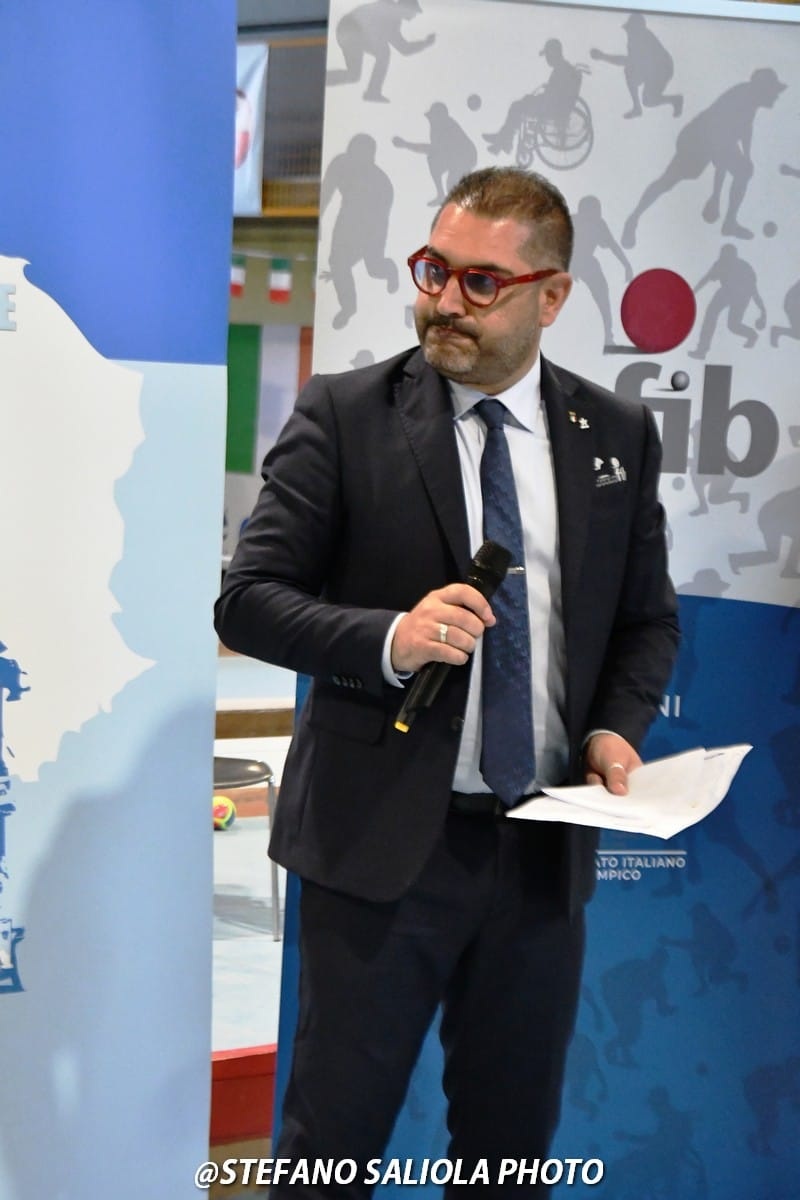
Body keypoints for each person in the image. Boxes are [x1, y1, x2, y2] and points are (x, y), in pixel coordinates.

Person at [215, 166, 679, 1197]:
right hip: (378, 852)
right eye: (432, 270)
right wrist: (391, 636)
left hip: (540, 854)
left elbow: (645, 619)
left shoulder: (614, 435)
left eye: (480, 282)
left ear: (550, 297)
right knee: (329, 1155)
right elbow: (247, 600)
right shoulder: (345, 415)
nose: (443, 302)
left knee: (509, 1155)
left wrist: (612, 729)